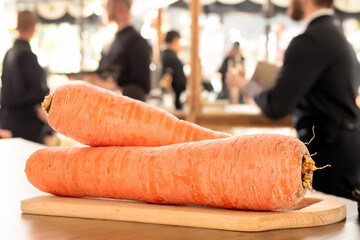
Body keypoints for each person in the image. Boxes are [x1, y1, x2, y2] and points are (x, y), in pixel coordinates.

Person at [227, 0, 360, 200]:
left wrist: (244, 84)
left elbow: (276, 105)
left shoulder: (311, 41)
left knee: (329, 227)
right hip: (341, 151)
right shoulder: (334, 35)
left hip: (328, 156)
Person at [1, 11, 51, 144]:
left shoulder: (9, 53)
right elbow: (37, 92)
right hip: (26, 124)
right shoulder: (28, 55)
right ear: (34, 28)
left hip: (7, 119)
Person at [90, 0, 151, 102]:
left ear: (119, 7)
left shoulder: (136, 42)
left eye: (107, 6)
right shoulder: (113, 40)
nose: (105, 10)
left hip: (123, 112)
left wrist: (113, 89)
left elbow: (141, 88)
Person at [160, 30, 187, 110]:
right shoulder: (171, 57)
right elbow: (180, 82)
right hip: (174, 100)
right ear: (175, 40)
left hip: (169, 99)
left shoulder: (163, 55)